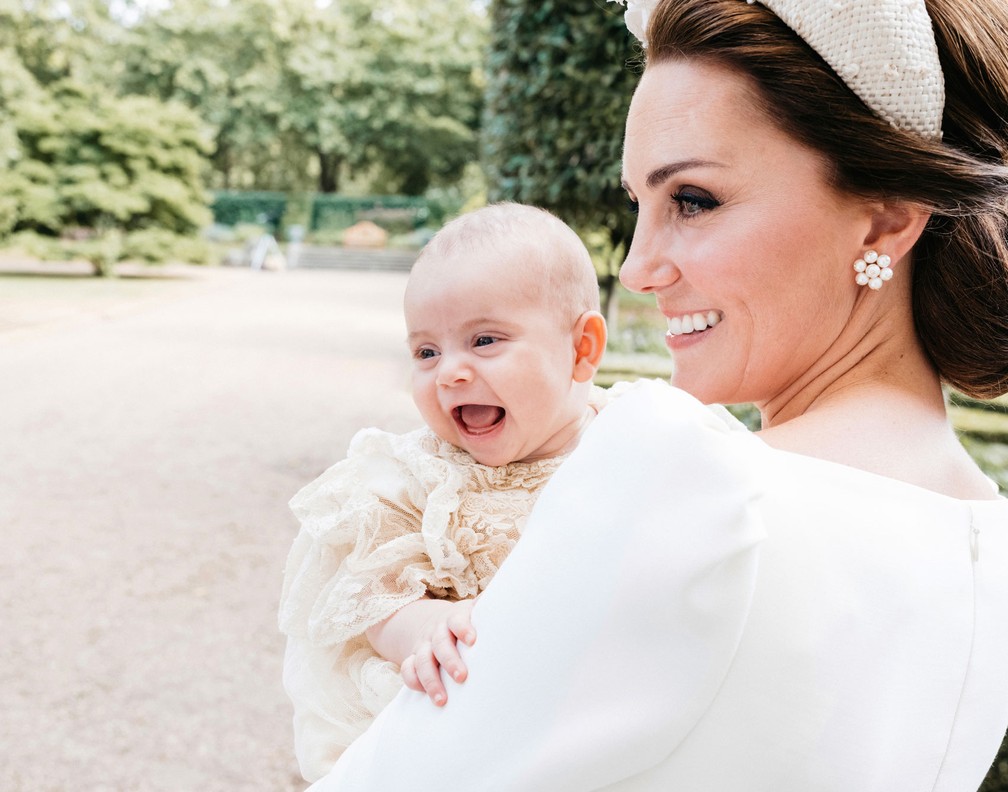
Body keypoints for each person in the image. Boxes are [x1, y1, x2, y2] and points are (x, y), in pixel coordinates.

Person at [303, 0, 1008, 789]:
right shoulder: (988, 547)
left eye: (693, 201)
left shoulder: (686, 479)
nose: (637, 268)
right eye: (640, 204)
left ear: (883, 222)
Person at [277, 202, 610, 782]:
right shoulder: (413, 478)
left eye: (484, 341)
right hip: (455, 719)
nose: (449, 372)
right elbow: (365, 594)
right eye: (426, 352)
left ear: (582, 349)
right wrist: (422, 626)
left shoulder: (627, 441)